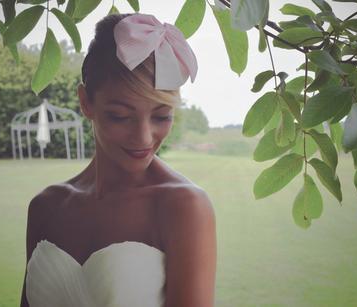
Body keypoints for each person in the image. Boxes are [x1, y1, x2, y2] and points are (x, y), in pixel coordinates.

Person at [19, 12, 217, 307]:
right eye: (120, 116)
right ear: (86, 102)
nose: (144, 137)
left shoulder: (184, 207)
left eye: (161, 116)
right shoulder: (45, 207)